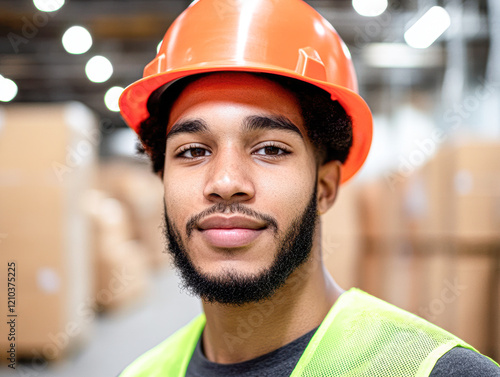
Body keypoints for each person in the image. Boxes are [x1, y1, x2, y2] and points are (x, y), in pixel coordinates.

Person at [117, 0, 500, 375]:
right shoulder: (145, 371)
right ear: (163, 180)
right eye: (194, 151)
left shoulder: (432, 370)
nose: (226, 183)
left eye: (270, 149)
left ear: (325, 187)